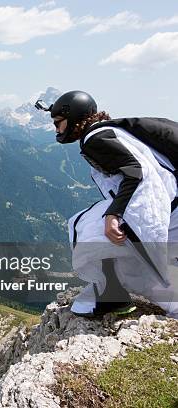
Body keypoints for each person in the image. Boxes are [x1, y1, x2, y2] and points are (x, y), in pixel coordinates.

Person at [36, 91, 178, 317]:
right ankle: (114, 292)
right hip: (171, 209)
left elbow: (135, 172)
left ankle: (112, 295)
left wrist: (114, 215)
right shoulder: (110, 131)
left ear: (73, 118)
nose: (57, 129)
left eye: (58, 123)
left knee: (84, 225)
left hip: (165, 211)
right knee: (138, 270)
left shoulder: (95, 139)